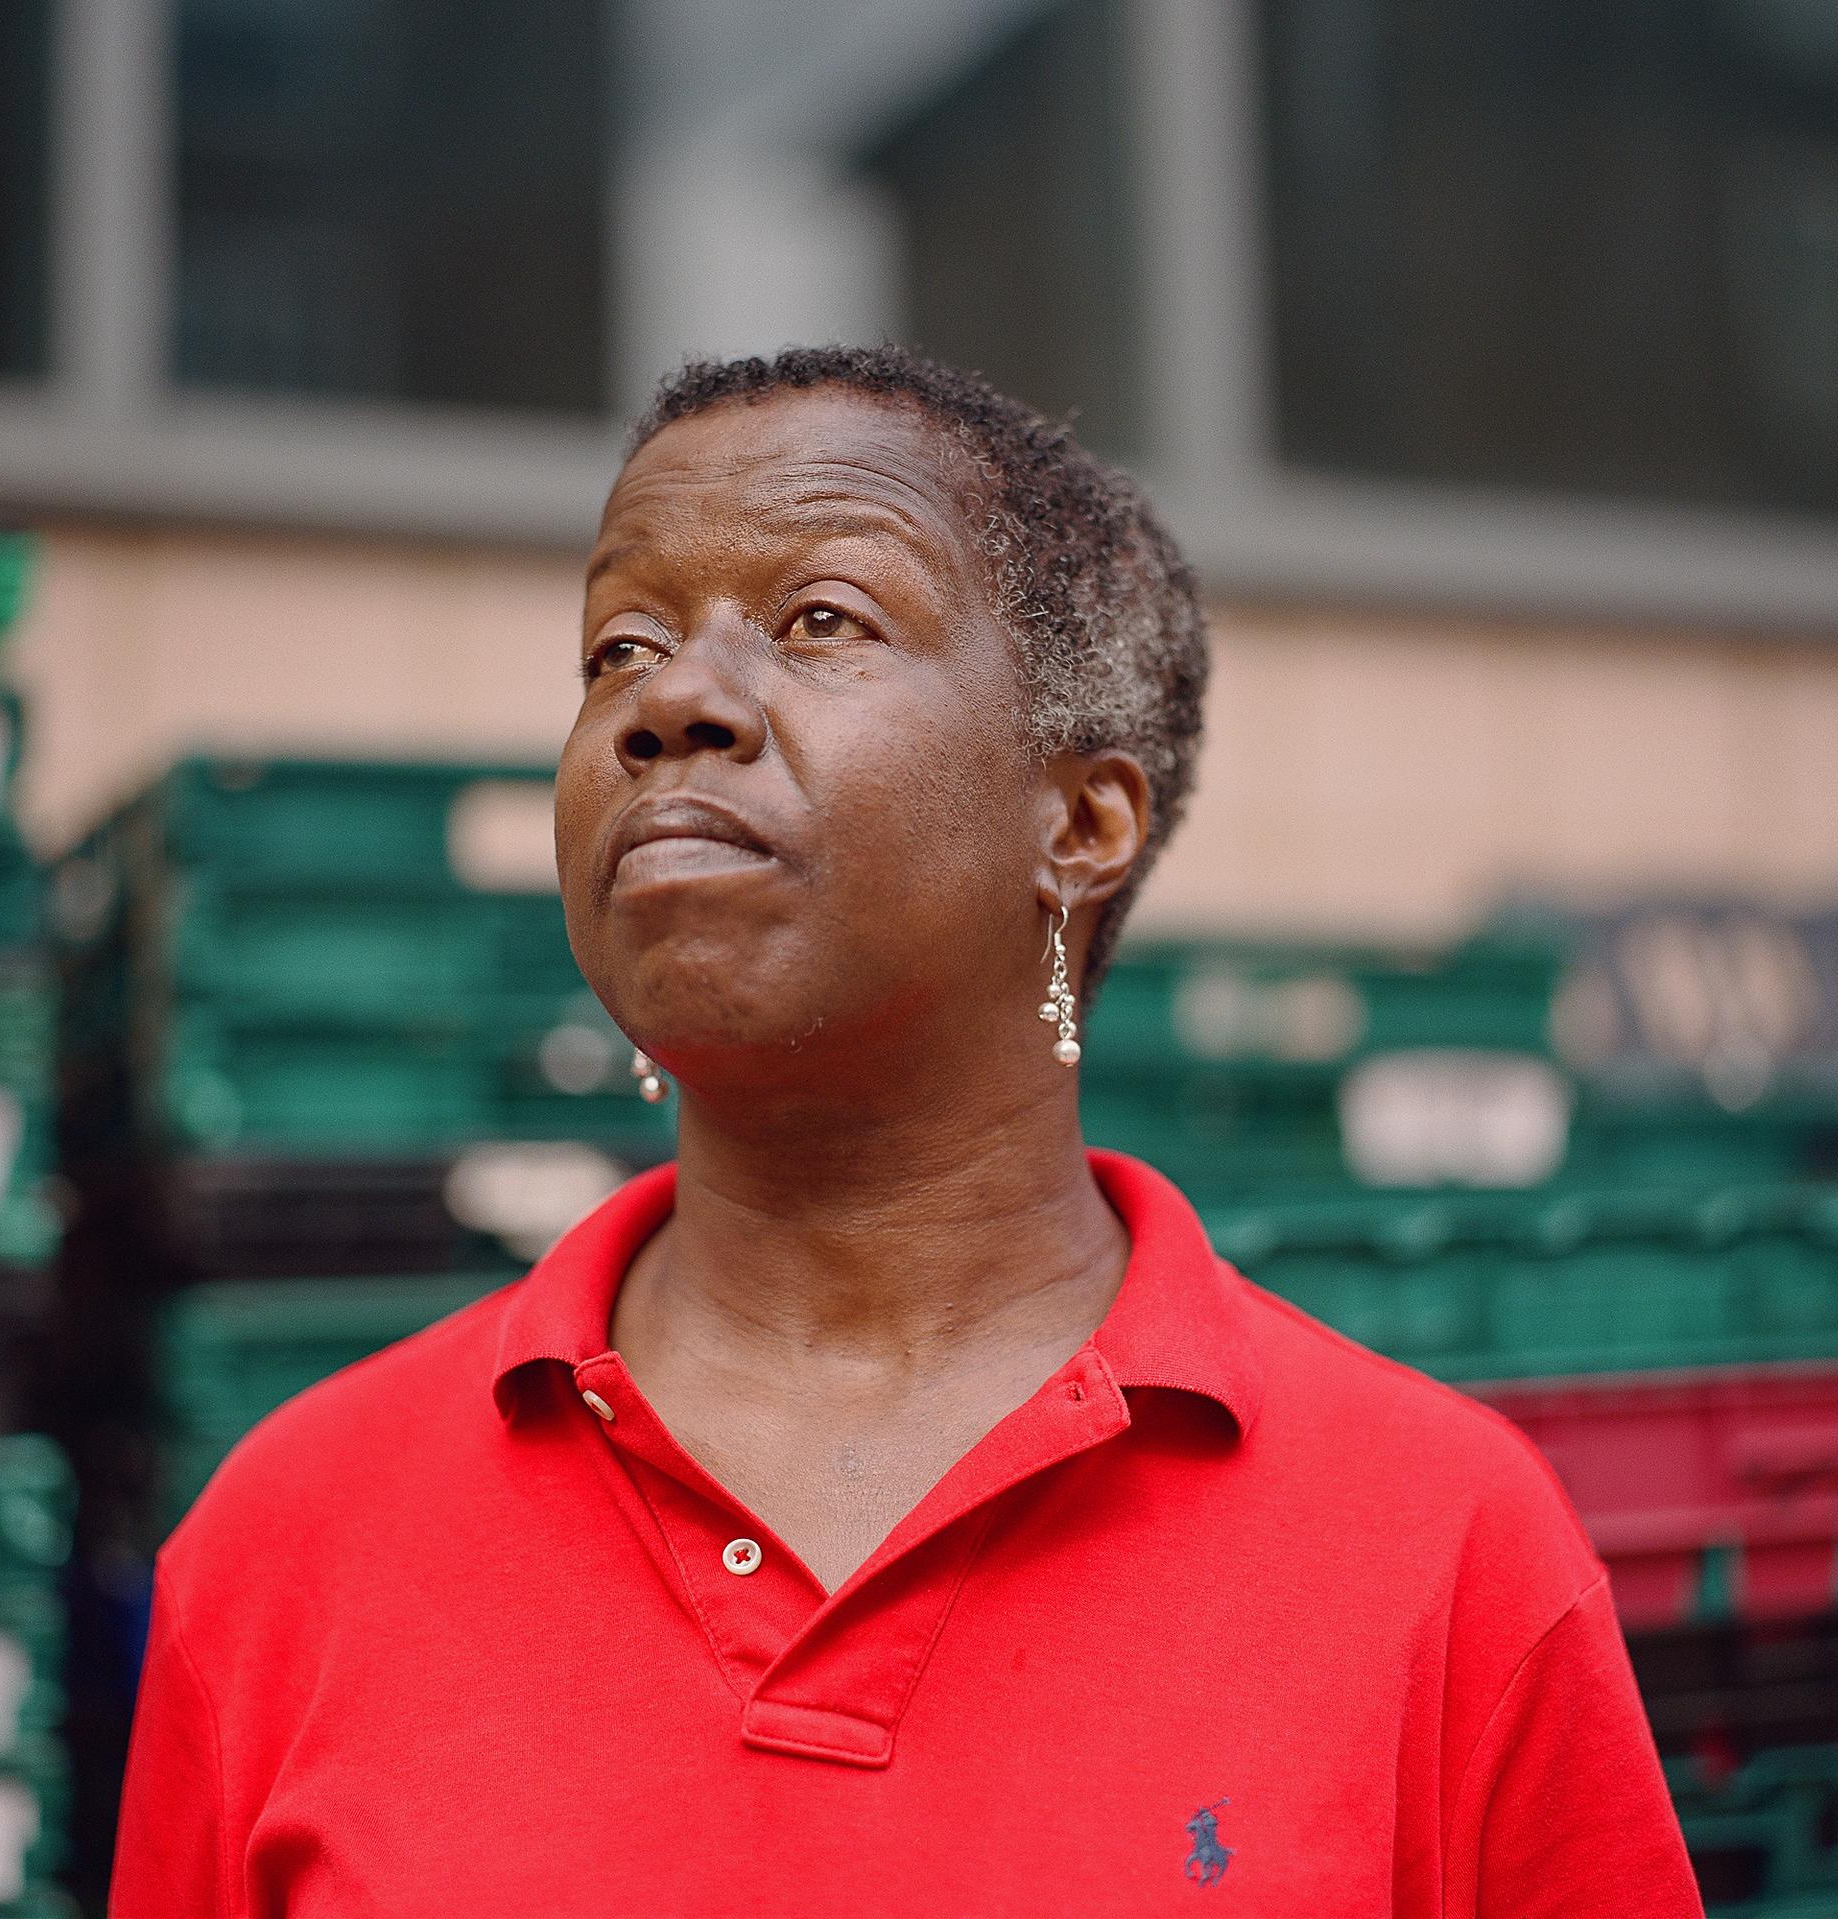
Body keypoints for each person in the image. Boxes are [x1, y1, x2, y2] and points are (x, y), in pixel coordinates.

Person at [110, 345, 1701, 1916]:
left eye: (821, 621)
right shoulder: (286, 1542)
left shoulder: (1441, 1549)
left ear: (1080, 825)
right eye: (618, 648)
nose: (671, 700)